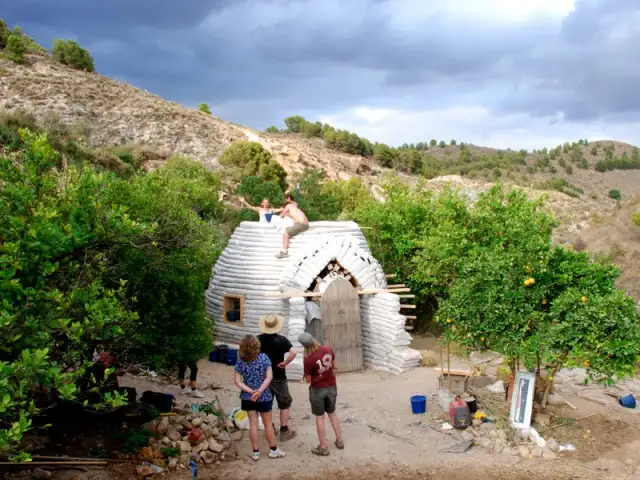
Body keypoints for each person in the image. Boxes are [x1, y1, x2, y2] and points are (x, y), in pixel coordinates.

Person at [234, 335, 286, 461]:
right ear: (257, 346)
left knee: (253, 424)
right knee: (268, 424)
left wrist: (251, 391)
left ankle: (256, 453)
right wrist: (259, 391)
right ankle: (273, 450)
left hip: (248, 397)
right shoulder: (264, 358)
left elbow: (237, 381)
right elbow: (269, 378)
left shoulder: (241, 361)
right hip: (264, 396)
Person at [299, 332, 344, 456]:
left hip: (318, 389)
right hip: (331, 386)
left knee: (320, 417)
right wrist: (327, 372)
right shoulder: (327, 349)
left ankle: (323, 447)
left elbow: (308, 380)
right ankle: (339, 441)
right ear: (313, 339)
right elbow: (335, 367)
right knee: (332, 413)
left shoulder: (308, 360)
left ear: (304, 346)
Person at [257, 314, 297, 442]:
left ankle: (270, 427)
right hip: (279, 376)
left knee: (265, 403)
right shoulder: (282, 340)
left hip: (263, 377)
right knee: (284, 403)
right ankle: (284, 431)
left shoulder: (257, 340)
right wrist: (286, 362)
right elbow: (294, 352)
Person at [275, 193, 309, 259]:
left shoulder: (288, 206)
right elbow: (292, 215)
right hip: (306, 224)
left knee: (286, 234)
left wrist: (282, 210)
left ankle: (284, 252)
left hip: (300, 223)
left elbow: (281, 216)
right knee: (289, 229)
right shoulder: (295, 207)